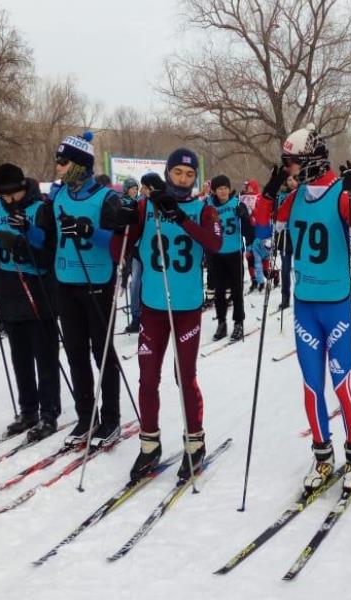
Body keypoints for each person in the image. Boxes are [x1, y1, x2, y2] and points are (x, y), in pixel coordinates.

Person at [253, 125, 351, 493]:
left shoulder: (342, 194)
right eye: (286, 164)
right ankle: (322, 456)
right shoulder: (294, 200)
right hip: (305, 304)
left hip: (340, 303)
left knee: (342, 384)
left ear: (310, 161)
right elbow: (263, 237)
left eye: (292, 163)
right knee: (312, 385)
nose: (288, 169)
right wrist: (268, 193)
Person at [126, 148, 223, 482]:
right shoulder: (146, 207)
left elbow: (214, 244)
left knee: (185, 377)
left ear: (196, 177)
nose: (182, 180)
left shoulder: (204, 209)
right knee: (148, 377)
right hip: (153, 307)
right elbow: (120, 248)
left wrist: (180, 217)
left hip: (187, 308)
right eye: (177, 173)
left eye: (189, 174)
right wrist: (120, 219)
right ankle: (149, 444)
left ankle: (195, 442)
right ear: (167, 173)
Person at [0, 164, 61, 441]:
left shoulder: (42, 208)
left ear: (24, 187)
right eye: (4, 197)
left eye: (14, 196)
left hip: (38, 289)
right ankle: (28, 410)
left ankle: (49, 412)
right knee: (19, 356)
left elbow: (48, 256)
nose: (9, 202)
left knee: (44, 355)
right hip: (8, 289)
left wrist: (21, 245)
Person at [51, 132, 131, 449]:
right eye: (57, 161)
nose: (58, 167)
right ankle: (87, 417)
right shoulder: (58, 196)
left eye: (63, 161)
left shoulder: (106, 197)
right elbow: (48, 239)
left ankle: (110, 419)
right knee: (75, 355)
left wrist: (90, 230)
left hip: (97, 282)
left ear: (81, 165)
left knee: (102, 353)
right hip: (65, 281)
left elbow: (119, 246)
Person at [206, 174, 251, 341]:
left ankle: (238, 322)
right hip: (216, 254)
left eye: (225, 188)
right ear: (214, 191)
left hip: (234, 252)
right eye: (220, 189)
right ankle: (222, 322)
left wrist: (244, 217)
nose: (223, 191)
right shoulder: (208, 205)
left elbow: (248, 232)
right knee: (219, 291)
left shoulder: (237, 204)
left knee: (237, 290)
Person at [122, 177, 142, 334]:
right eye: (131, 188)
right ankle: (136, 317)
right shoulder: (122, 202)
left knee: (144, 282)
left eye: (136, 188)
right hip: (132, 249)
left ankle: (147, 314)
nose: (134, 191)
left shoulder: (141, 202)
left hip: (144, 247)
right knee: (134, 282)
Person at [275, 174, 297, 310]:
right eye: (289, 179)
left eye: (294, 179)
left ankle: (302, 295)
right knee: (285, 268)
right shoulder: (282, 196)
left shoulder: (302, 193)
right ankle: (285, 297)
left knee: (301, 267)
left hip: (299, 233)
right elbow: (277, 213)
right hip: (285, 235)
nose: (292, 182)